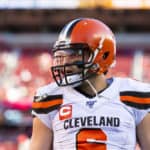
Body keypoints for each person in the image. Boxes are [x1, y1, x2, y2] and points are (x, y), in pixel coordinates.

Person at [30, 18, 150, 150]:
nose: (66, 63)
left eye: (75, 54)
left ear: (103, 56)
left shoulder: (135, 95)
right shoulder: (49, 98)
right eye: (62, 56)